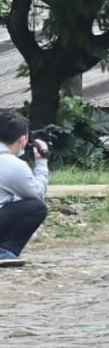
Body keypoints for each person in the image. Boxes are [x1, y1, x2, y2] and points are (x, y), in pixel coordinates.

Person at [0, 112, 50, 267]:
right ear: (23, 139)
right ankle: (4, 251)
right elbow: (37, 194)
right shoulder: (13, 165)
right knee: (36, 208)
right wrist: (41, 162)